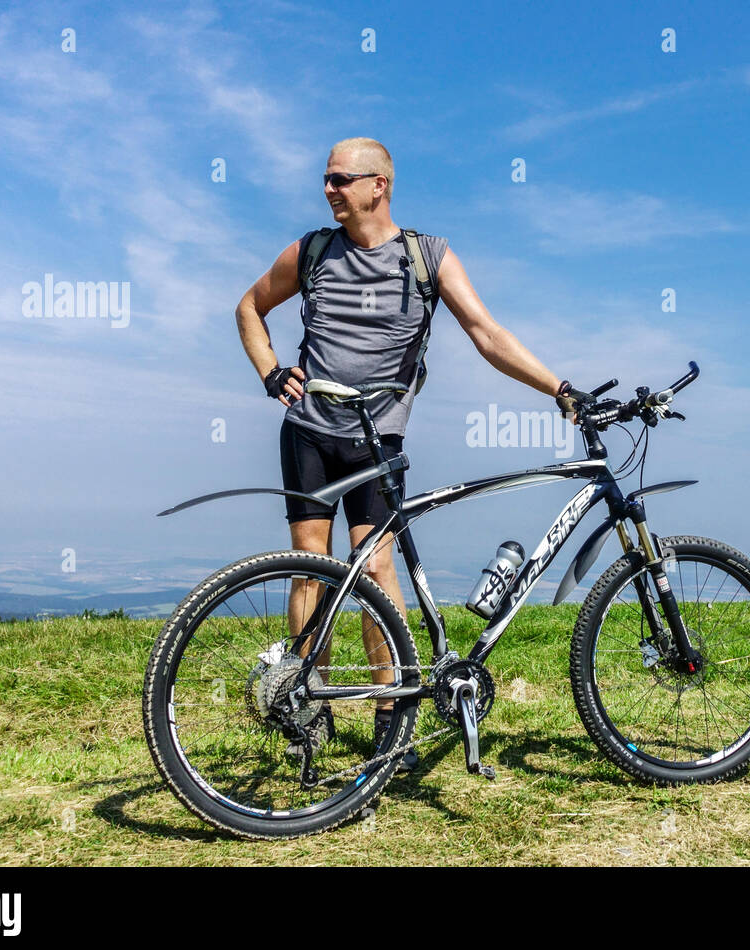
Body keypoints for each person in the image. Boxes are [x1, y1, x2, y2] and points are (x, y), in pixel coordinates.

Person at [235, 136, 593, 770]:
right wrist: (270, 372)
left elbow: (487, 333)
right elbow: (250, 306)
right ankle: (304, 704)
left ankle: (389, 713)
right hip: (309, 431)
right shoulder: (311, 250)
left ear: (380, 185)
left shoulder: (427, 257)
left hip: (378, 438)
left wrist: (559, 388)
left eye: (341, 178)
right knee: (309, 566)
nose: (328, 189)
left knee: (375, 569)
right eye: (325, 179)